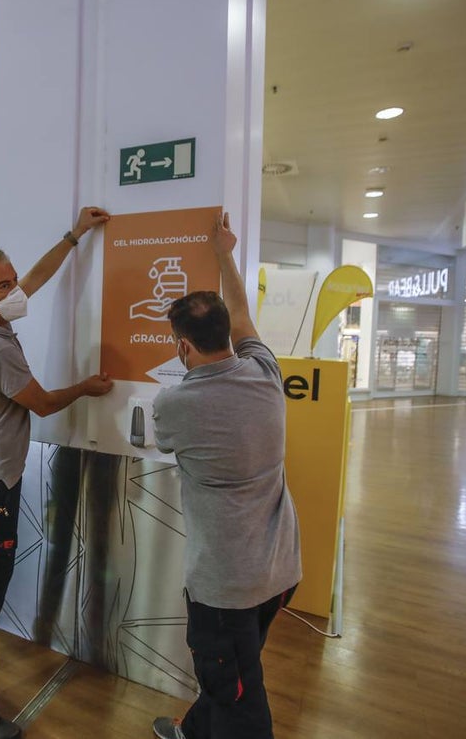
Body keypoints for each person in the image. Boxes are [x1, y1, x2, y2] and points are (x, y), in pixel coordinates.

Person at [0, 207, 115, 739]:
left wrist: (73, 235)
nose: (17, 291)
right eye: (4, 285)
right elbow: (40, 404)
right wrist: (85, 386)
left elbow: (34, 280)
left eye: (12, 279)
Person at [150, 213, 301, 739]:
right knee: (231, 671)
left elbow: (164, 441)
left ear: (183, 347)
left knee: (239, 697)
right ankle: (192, 731)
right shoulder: (265, 374)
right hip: (280, 571)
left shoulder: (174, 404)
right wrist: (224, 254)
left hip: (226, 587)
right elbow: (242, 317)